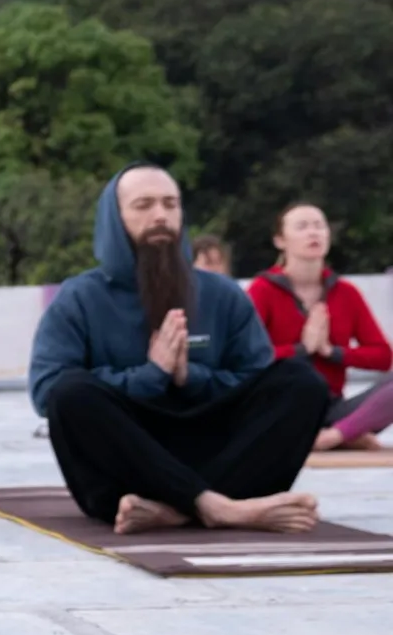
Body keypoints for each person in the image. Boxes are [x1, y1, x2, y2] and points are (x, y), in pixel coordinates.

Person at [29, 164, 329, 535]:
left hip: (215, 452)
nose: (160, 215)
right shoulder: (80, 297)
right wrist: (150, 375)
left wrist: (192, 377)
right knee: (70, 394)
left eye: (170, 204)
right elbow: (45, 391)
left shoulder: (221, 294)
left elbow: (256, 376)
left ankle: (182, 509)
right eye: (144, 205)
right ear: (114, 218)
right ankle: (217, 506)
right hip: (128, 467)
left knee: (302, 383)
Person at [248, 203, 393, 452]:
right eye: (302, 227)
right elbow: (246, 358)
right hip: (278, 407)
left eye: (319, 226)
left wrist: (331, 352)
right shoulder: (263, 290)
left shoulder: (346, 293)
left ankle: (333, 437)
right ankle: (347, 437)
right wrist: (302, 349)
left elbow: (382, 356)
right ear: (280, 240)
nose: (313, 233)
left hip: (333, 411)